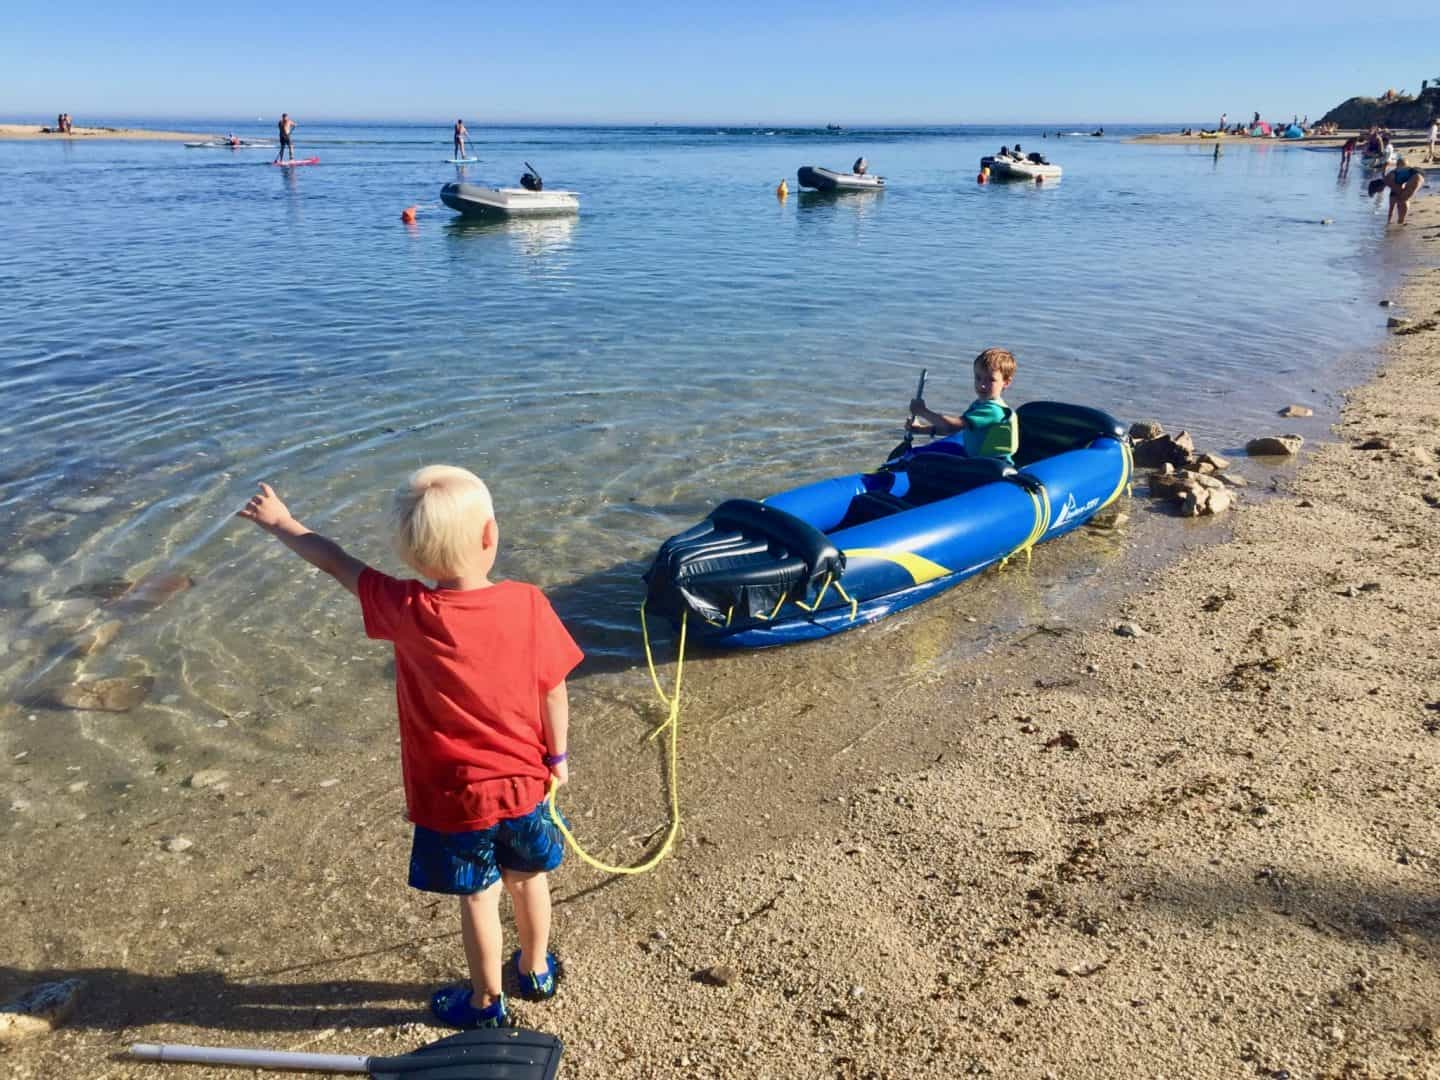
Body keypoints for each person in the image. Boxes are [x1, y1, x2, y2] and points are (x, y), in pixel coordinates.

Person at [236, 466, 581, 1029]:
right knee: (529, 879)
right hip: (525, 784)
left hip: (456, 798)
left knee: (479, 897)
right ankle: (537, 970)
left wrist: (282, 523)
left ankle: (486, 1002)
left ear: (414, 559)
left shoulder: (407, 608)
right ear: (490, 535)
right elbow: (554, 687)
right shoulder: (528, 603)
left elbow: (335, 561)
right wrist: (557, 758)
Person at [906, 348, 1020, 464]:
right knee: (920, 456)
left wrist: (923, 411)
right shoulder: (980, 404)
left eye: (991, 380)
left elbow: (951, 426)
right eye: (978, 378)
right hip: (976, 458)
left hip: (991, 466)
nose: (982, 385)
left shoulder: (993, 410)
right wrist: (921, 430)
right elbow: (959, 429)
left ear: (1006, 382)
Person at [1384, 158, 1426, 224]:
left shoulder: (1389, 179)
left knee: (1402, 199)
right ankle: (1400, 220)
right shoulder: (1400, 171)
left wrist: (1388, 222)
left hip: (1416, 177)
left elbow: (1391, 209)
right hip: (1420, 174)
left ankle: (1401, 221)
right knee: (1403, 198)